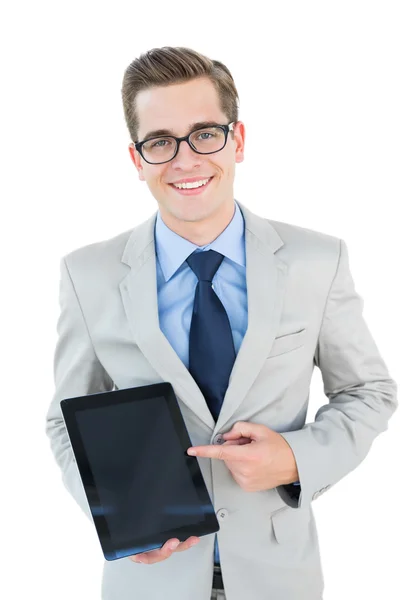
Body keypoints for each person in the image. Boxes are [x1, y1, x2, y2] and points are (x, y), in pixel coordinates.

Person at [45, 46, 397, 600]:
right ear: (137, 160)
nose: (185, 160)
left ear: (237, 140)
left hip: (279, 577)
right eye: (160, 142)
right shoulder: (86, 275)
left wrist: (295, 459)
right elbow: (67, 419)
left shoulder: (316, 260)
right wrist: (112, 511)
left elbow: (368, 391)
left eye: (205, 133)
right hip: (148, 582)